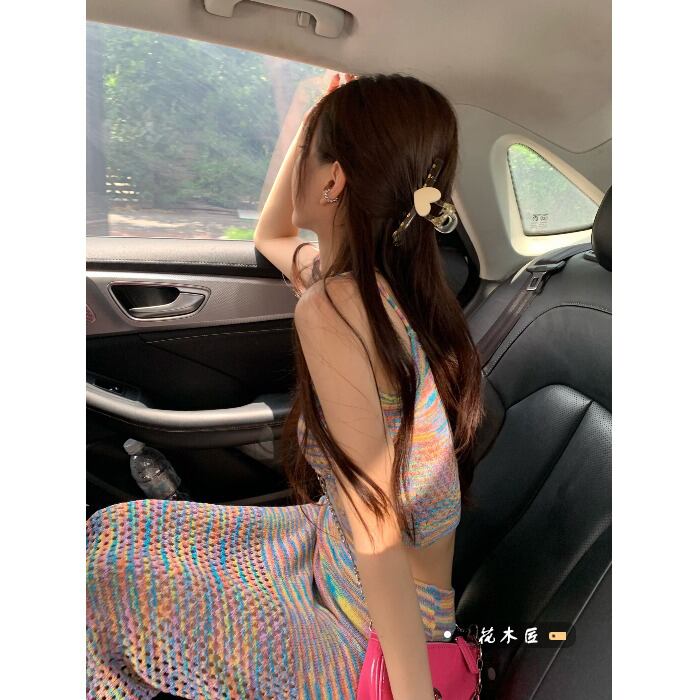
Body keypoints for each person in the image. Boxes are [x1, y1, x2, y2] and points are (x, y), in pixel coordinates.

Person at [86, 72, 484, 700]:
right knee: (117, 530)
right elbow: (271, 237)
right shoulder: (381, 289)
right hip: (338, 559)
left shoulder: (335, 307)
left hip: (366, 627)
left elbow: (376, 523)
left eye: (307, 151)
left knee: (100, 581)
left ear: (334, 179)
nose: (294, 160)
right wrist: (313, 120)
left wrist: (411, 695)